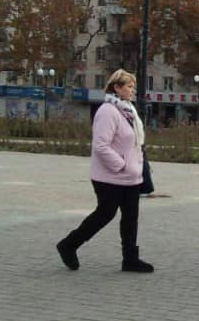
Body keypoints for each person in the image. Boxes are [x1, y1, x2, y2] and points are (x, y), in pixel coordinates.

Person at [55, 69, 153, 273]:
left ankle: (130, 259)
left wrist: (136, 167)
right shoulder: (107, 111)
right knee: (105, 214)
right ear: (116, 88)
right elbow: (101, 146)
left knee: (130, 217)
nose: (132, 90)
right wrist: (122, 165)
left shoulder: (128, 110)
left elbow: (134, 143)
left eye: (133, 86)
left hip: (131, 177)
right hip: (110, 177)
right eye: (129, 86)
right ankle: (68, 245)